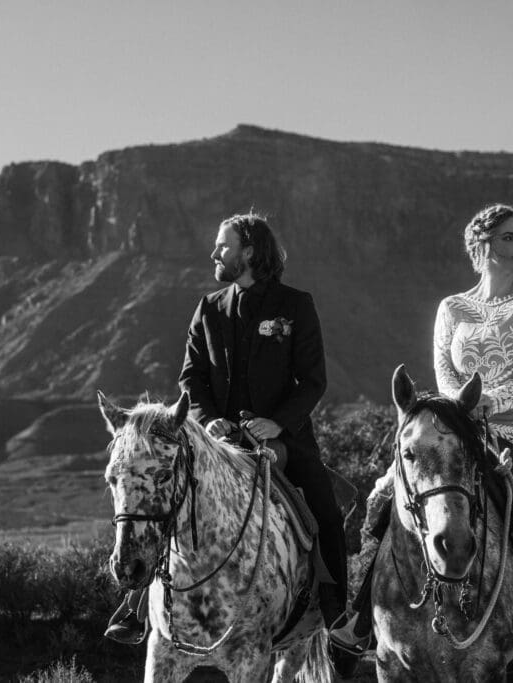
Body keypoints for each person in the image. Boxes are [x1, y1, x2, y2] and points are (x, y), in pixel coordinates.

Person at [331, 204, 513, 680]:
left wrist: (485, 403)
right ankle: (362, 616)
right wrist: (461, 411)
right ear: (481, 247)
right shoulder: (452, 308)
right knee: (384, 498)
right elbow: (444, 374)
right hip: (460, 432)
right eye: (508, 237)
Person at [105, 213, 349, 659]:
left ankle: (339, 616)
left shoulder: (296, 306)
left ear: (249, 252)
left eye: (223, 246)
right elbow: (190, 378)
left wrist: (278, 423)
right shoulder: (208, 308)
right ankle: (137, 602)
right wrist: (209, 419)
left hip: (281, 439)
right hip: (213, 440)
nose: (215, 254)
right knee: (168, 498)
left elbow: (313, 381)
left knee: (327, 513)